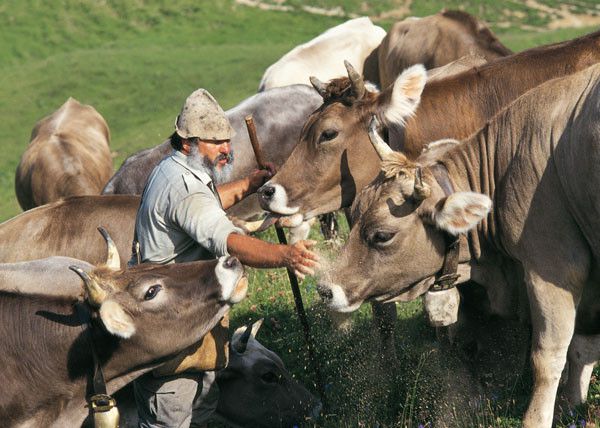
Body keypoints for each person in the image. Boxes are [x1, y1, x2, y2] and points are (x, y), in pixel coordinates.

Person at [131, 88, 319, 428]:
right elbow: (228, 241)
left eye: (227, 141)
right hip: (172, 332)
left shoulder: (172, 171)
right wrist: (285, 255)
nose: (226, 150)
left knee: (199, 412)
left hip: (188, 328)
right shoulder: (184, 188)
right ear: (188, 142)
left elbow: (205, 202)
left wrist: (248, 185)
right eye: (216, 143)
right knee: (171, 419)